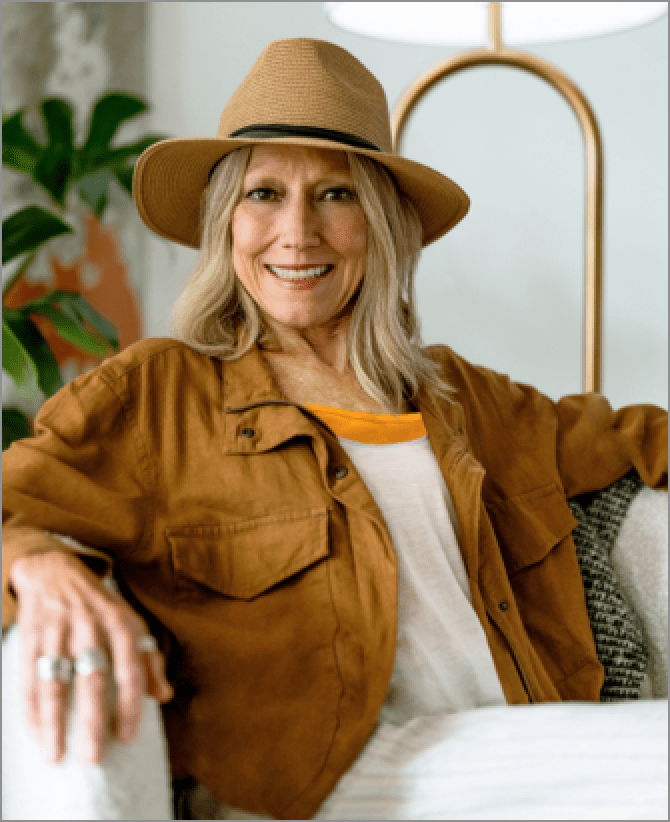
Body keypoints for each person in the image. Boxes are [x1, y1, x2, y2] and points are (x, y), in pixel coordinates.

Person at [2, 37, 667, 821]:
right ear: (225, 222)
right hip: (327, 780)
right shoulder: (157, 398)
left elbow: (638, 438)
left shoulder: (465, 398)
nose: (297, 233)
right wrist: (42, 571)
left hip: (514, 744)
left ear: (379, 223)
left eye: (335, 195)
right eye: (263, 194)